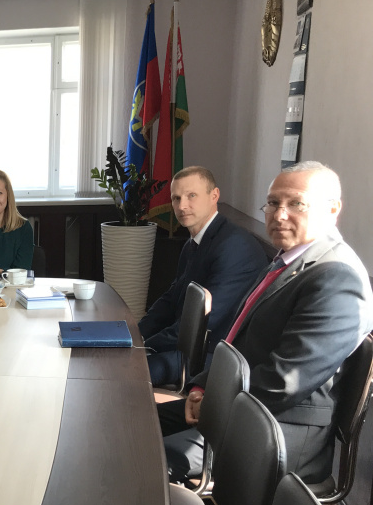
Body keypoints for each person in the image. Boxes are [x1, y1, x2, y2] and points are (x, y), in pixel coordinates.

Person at [159, 162, 373, 484]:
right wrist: (202, 386)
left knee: (144, 457)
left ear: (332, 209)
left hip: (277, 432)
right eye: (273, 203)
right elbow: (235, 342)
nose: (279, 215)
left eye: (296, 203)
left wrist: (213, 402)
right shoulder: (288, 259)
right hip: (242, 404)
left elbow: (284, 381)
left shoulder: (338, 279)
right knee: (136, 423)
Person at [138, 166, 267, 386]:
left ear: (214, 195)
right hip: (188, 346)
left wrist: (143, 346)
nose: (182, 206)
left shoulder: (233, 247)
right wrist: (136, 334)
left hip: (212, 356)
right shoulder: (194, 242)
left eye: (191, 196)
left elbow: (202, 323)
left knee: (127, 372)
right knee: (119, 363)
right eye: (176, 198)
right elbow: (171, 300)